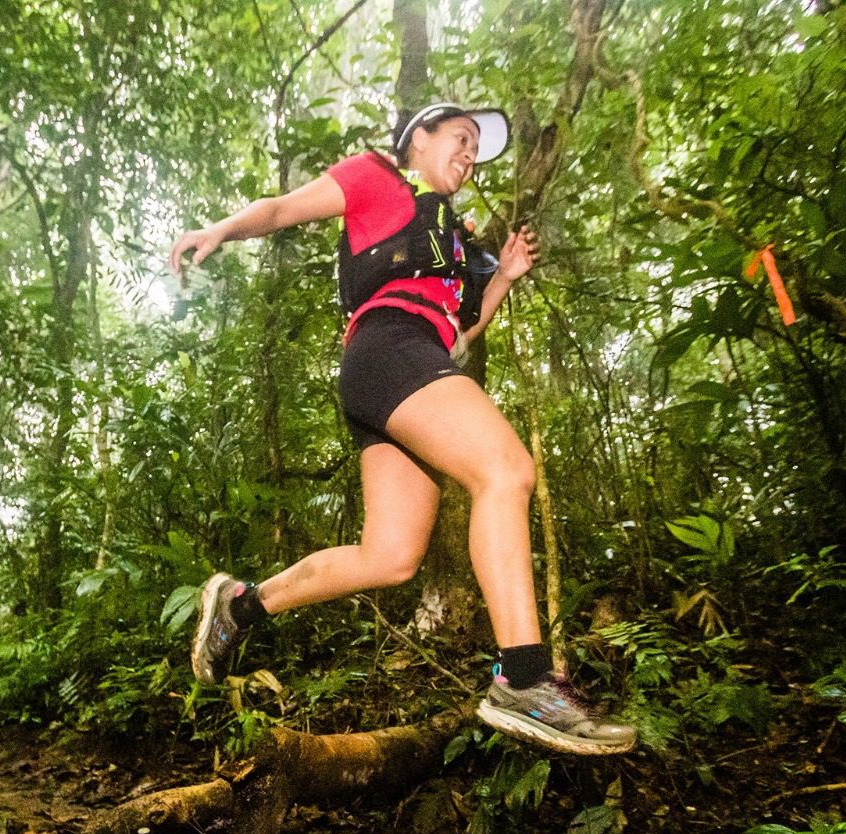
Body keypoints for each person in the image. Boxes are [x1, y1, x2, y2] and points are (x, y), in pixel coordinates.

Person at [169, 102, 634, 757]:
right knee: (505, 470)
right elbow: (280, 209)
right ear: (419, 136)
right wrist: (220, 230)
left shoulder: (457, 244)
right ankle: (523, 679)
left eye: (478, 149)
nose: (471, 155)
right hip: (387, 348)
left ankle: (241, 606)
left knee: (389, 557)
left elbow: (462, 333)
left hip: (407, 364)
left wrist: (501, 277)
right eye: (462, 138)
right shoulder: (375, 177)